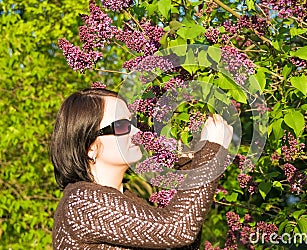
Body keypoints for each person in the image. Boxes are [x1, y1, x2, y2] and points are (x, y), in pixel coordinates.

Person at [50, 88, 233, 249]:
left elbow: (183, 242)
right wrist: (212, 149)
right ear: (90, 148)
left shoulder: (128, 199)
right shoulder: (80, 203)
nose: (137, 133)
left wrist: (187, 165)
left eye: (132, 124)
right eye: (121, 126)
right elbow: (178, 229)